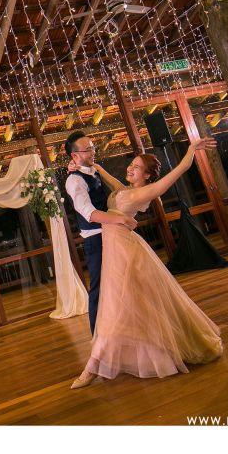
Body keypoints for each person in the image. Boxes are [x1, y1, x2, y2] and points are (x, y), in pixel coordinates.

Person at [70, 138, 223, 388]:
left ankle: (92, 369)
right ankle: (107, 361)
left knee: (114, 310)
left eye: (137, 167)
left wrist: (190, 151)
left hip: (124, 254)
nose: (131, 168)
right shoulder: (124, 190)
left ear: (148, 175)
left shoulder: (144, 192)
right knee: (128, 308)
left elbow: (179, 171)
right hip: (115, 252)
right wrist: (88, 166)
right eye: (131, 164)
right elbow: (110, 180)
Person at [64, 131, 138, 334]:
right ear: (74, 155)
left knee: (121, 283)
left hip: (111, 234)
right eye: (87, 149)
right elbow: (89, 214)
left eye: (93, 147)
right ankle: (98, 334)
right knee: (99, 286)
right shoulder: (74, 181)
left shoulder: (93, 171)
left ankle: (121, 328)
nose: (93, 152)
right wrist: (121, 219)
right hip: (96, 239)